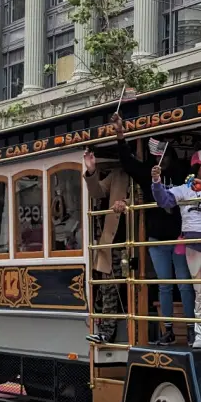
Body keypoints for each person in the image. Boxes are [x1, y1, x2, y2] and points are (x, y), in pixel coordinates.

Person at [111, 114, 195, 346]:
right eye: (158, 155)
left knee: (184, 283)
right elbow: (127, 161)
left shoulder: (181, 172)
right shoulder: (147, 172)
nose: (162, 159)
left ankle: (191, 328)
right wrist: (120, 135)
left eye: (165, 155)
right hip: (157, 237)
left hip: (179, 236)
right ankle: (168, 330)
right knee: (164, 285)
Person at [152, 150, 201, 351]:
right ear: (195, 168)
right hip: (193, 245)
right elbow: (163, 200)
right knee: (200, 291)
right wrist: (156, 182)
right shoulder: (184, 189)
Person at [84, 148, 130, 345]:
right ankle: (105, 333)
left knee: (134, 289)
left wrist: (127, 202)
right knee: (108, 289)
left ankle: (134, 333)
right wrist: (91, 170)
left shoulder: (146, 174)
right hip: (112, 243)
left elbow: (148, 196)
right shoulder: (118, 174)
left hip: (134, 245)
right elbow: (97, 192)